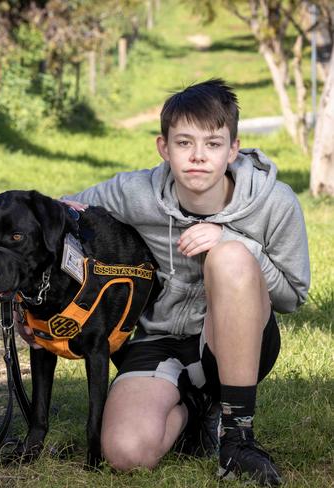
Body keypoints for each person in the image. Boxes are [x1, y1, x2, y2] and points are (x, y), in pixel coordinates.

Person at [20, 79, 310, 485]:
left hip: (233, 342)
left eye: (212, 144)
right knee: (125, 453)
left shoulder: (274, 202)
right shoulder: (136, 192)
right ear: (163, 147)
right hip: (157, 341)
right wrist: (28, 301)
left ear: (233, 149)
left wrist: (234, 242)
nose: (197, 157)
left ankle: (237, 439)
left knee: (229, 258)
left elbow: (293, 297)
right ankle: (195, 406)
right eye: (184, 143)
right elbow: (61, 216)